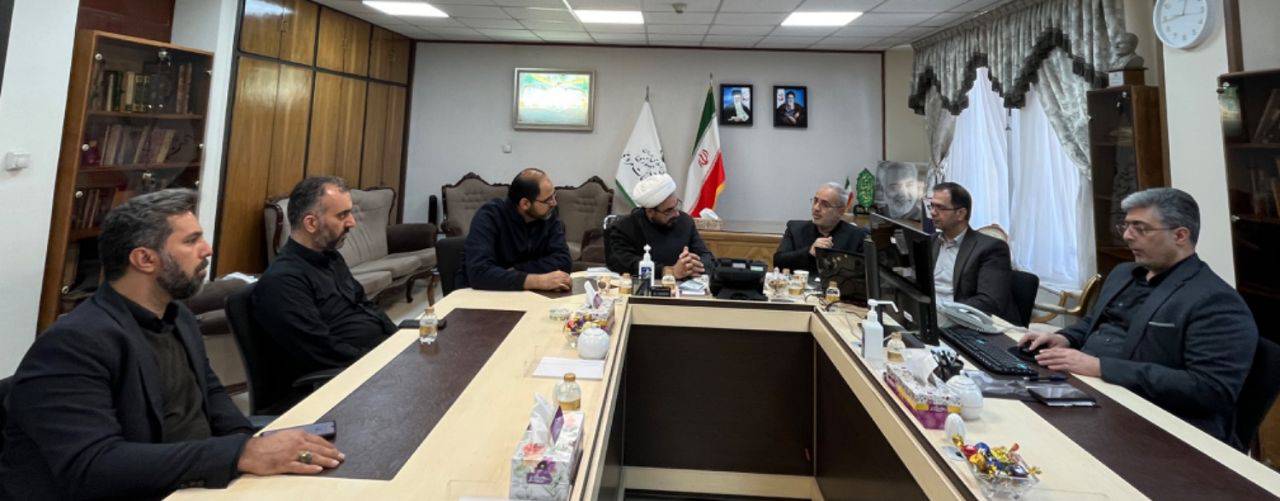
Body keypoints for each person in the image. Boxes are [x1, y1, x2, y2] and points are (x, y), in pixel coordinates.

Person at [1, 189, 343, 500]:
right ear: (145, 259)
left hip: (198, 482)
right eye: (192, 241)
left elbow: (212, 397)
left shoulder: (176, 316)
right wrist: (240, 454)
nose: (207, 250)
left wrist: (252, 448)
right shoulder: (73, 344)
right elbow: (93, 465)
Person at [1019, 188, 1257, 445]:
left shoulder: (1215, 301)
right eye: (1126, 225)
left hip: (1152, 422)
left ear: (1180, 235)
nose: (1127, 236)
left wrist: (1101, 367)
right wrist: (1065, 338)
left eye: (1140, 228)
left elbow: (1210, 389)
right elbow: (1093, 321)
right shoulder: (1123, 273)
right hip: (1085, 389)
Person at [252, 177, 397, 384]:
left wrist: (399, 339)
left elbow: (365, 306)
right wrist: (382, 362)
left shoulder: (331, 257)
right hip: (348, 379)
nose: (352, 222)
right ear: (311, 223)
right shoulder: (283, 281)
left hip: (379, 359)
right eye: (342, 215)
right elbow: (322, 352)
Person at [457, 168, 573, 291]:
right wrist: (537, 281)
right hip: (478, 295)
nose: (554, 203)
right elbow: (479, 273)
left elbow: (564, 261)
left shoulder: (548, 214)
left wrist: (517, 271)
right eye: (548, 200)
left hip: (524, 294)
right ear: (525, 204)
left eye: (554, 195)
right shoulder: (490, 216)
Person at [929, 182, 1017, 321]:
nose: (933, 212)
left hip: (962, 319)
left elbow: (989, 301)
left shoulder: (991, 248)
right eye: (932, 206)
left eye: (940, 207)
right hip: (930, 315)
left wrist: (945, 311)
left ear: (961, 213)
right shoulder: (931, 241)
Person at [607, 173, 715, 279]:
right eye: (669, 210)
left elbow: (707, 257)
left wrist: (694, 266)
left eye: (676, 205)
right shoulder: (623, 227)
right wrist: (669, 271)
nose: (676, 213)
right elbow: (624, 264)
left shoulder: (685, 221)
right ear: (650, 211)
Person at [773, 182, 869, 273]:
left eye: (825, 205)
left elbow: (864, 273)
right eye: (815, 201)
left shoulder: (857, 236)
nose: (816, 208)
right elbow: (778, 262)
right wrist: (809, 252)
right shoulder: (795, 229)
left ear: (841, 211)